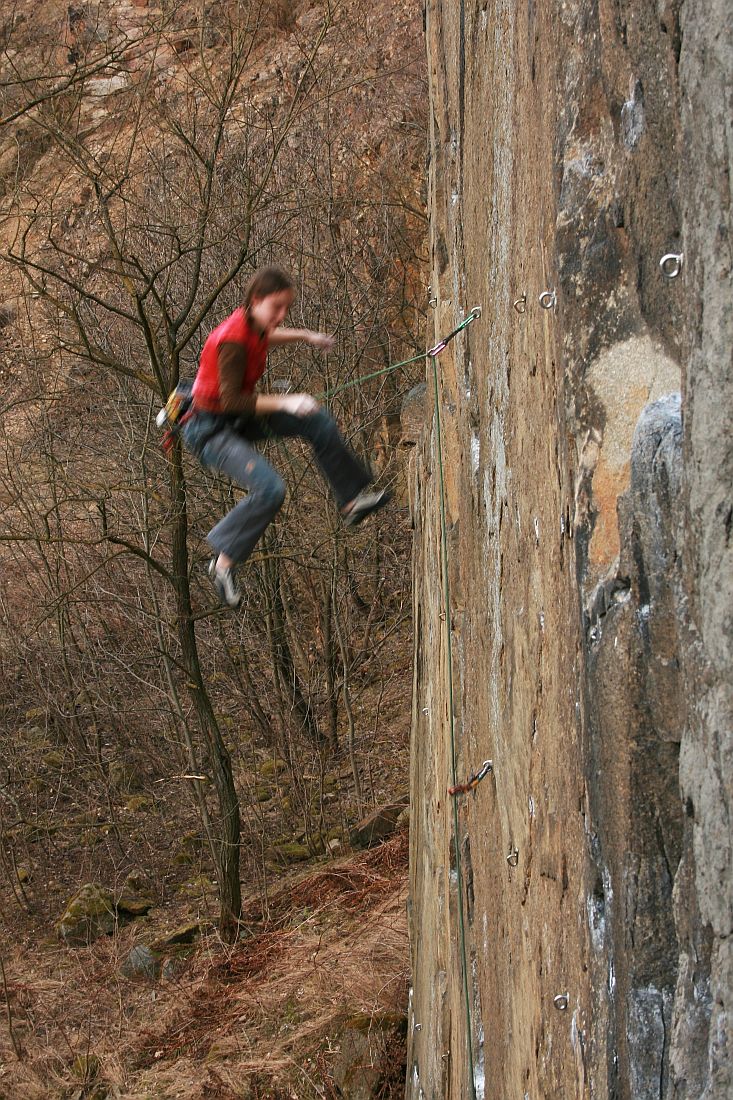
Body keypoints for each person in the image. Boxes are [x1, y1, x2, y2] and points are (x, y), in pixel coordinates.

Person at [182, 266, 389, 608]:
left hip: (237, 417)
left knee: (316, 420)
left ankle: (351, 502)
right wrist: (287, 400)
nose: (281, 316)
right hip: (209, 430)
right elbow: (233, 398)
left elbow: (266, 338)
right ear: (255, 300)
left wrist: (306, 336)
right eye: (276, 308)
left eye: (286, 309)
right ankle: (222, 564)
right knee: (271, 489)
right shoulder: (232, 340)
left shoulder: (253, 324)